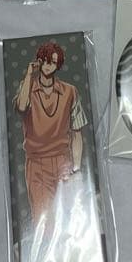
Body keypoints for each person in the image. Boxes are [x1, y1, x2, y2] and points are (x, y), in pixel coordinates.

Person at [15, 42, 87, 221]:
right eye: (45, 60)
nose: (48, 65)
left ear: (58, 65)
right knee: (42, 218)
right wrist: (29, 75)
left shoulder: (70, 91)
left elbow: (77, 132)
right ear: (39, 61)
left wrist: (77, 169)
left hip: (64, 161)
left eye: (53, 62)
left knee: (69, 217)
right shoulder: (27, 87)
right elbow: (21, 107)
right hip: (37, 163)